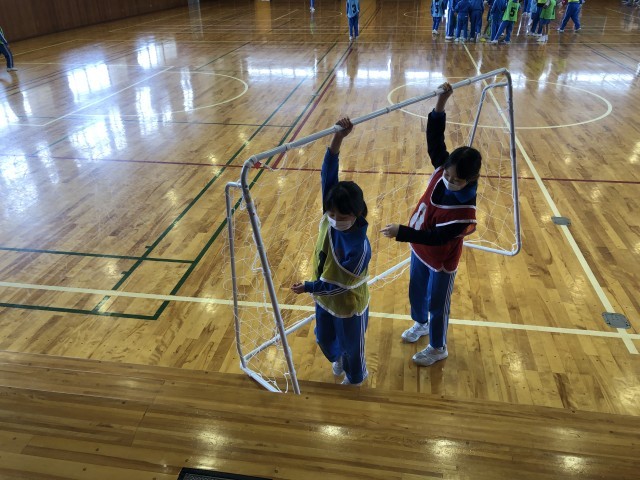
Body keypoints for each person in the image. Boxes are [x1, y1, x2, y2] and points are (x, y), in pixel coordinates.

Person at [381, 83, 481, 367]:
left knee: (437, 303)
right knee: (416, 291)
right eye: (447, 175)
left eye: (457, 180)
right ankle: (420, 323)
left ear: (471, 180)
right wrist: (441, 103)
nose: (449, 181)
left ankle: (438, 347)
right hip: (419, 250)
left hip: (440, 261)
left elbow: (437, 239)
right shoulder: (443, 169)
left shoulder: (464, 212)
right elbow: (435, 140)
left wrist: (402, 232)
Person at [291, 117, 371, 385]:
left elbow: (338, 286)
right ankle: (338, 357)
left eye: (342, 216)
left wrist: (309, 287)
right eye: (332, 213)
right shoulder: (331, 211)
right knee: (323, 338)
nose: (334, 219)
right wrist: (338, 137)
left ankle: (356, 376)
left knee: (352, 347)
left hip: (347, 304)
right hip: (324, 298)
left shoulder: (358, 250)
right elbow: (328, 171)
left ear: (357, 213)